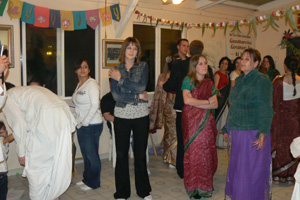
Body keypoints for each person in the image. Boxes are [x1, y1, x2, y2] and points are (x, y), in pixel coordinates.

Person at [0, 86, 76, 200]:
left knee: (36, 169)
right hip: (63, 117)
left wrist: (21, 153)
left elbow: (19, 123)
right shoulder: (25, 91)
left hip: (48, 118)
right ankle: (54, 196)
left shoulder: (5, 97)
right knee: (54, 164)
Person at [223, 48, 273, 200]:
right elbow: (234, 105)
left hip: (253, 132)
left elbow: (266, 107)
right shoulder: (239, 80)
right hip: (238, 131)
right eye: (242, 58)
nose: (242, 62)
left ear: (256, 63)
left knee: (251, 172)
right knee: (239, 170)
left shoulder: (261, 80)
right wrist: (227, 127)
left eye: (247, 59)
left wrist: (263, 132)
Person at [109, 37, 152, 200]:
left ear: (138, 51)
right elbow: (115, 95)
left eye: (135, 48)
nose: (132, 51)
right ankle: (122, 192)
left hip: (141, 116)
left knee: (140, 155)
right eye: (129, 48)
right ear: (124, 50)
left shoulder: (143, 66)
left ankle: (144, 191)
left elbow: (142, 86)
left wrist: (121, 80)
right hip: (121, 115)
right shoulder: (115, 68)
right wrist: (137, 96)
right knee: (121, 155)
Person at [182, 54, 218, 199]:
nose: (204, 66)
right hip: (191, 122)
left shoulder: (209, 83)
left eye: (205, 63)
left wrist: (199, 102)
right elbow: (186, 100)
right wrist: (205, 102)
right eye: (201, 63)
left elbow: (215, 104)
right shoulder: (188, 80)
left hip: (207, 124)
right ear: (194, 66)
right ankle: (193, 187)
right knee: (194, 154)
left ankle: (205, 185)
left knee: (206, 155)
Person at [72, 59, 103, 191]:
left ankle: (94, 183)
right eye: (80, 67)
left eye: (85, 67)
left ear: (89, 70)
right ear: (76, 71)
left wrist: (85, 122)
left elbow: (95, 105)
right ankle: (87, 179)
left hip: (91, 125)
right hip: (82, 125)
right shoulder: (80, 85)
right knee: (86, 154)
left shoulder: (92, 84)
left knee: (92, 156)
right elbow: (78, 106)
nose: (83, 69)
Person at [162, 39, 190, 178]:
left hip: (182, 103)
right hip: (178, 104)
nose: (186, 48)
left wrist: (164, 85)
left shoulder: (184, 63)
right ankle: (178, 164)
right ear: (178, 47)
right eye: (183, 45)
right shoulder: (174, 60)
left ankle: (182, 168)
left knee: (181, 137)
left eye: (187, 46)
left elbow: (171, 84)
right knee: (177, 135)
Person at [271, 55, 300, 185]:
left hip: (281, 121)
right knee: (293, 145)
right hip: (295, 121)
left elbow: (273, 102)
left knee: (281, 146)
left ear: (285, 66)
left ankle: (278, 176)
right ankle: (290, 177)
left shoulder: (278, 82)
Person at [214, 57, 231, 149]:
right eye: (223, 63)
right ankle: (218, 142)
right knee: (220, 119)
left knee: (225, 119)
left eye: (226, 64)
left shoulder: (227, 75)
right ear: (220, 63)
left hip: (226, 100)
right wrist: (219, 95)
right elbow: (215, 87)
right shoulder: (217, 74)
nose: (224, 65)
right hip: (220, 100)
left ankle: (224, 142)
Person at [0, 121, 14, 200]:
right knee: (2, 192)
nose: (6, 131)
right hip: (1, 175)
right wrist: (18, 129)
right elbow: (10, 137)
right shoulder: (2, 141)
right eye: (4, 129)